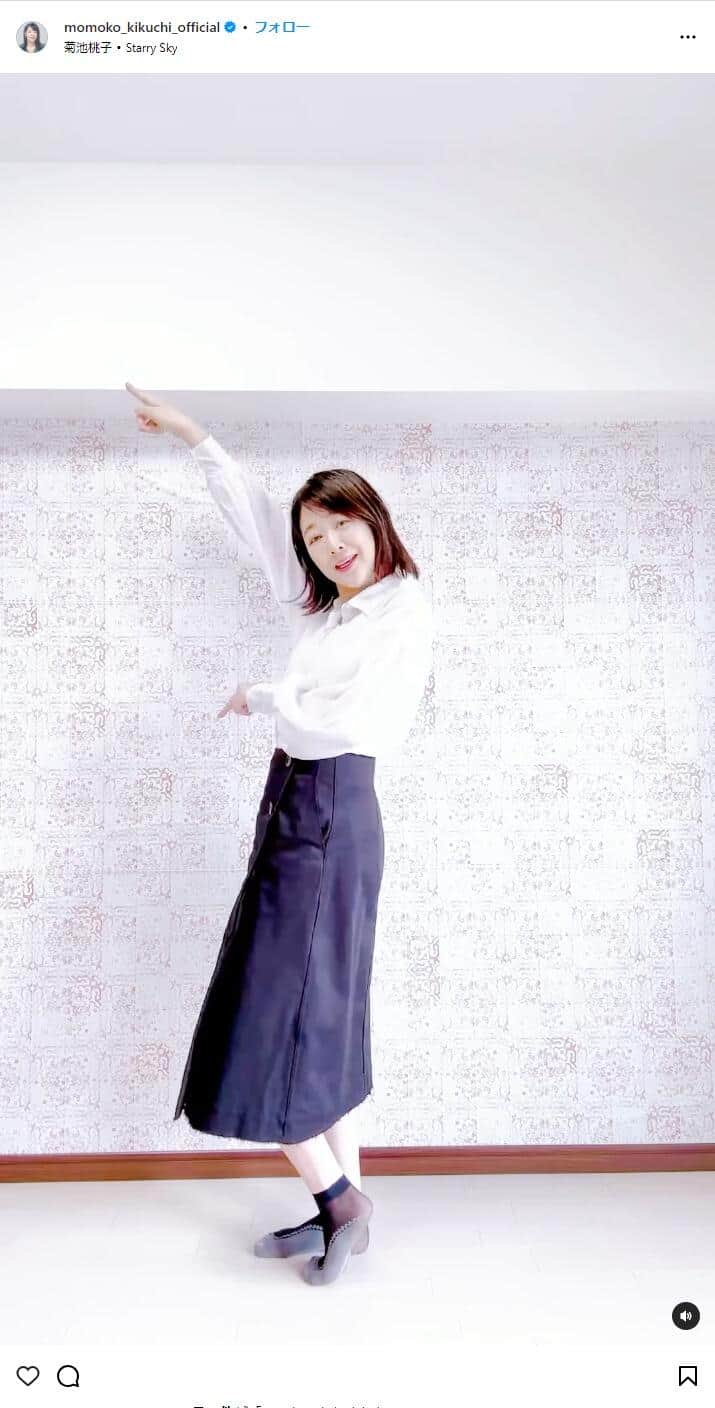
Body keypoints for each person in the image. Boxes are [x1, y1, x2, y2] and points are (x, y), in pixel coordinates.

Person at [125, 382, 433, 1286]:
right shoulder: (333, 609)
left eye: (342, 524)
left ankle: (341, 1200)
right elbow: (259, 523)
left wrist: (262, 696)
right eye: (315, 536)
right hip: (306, 808)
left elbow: (337, 720)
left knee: (273, 1012)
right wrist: (194, 437)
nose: (331, 545)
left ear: (373, 519)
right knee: (320, 1011)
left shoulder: (399, 610)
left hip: (330, 805)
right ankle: (342, 1210)